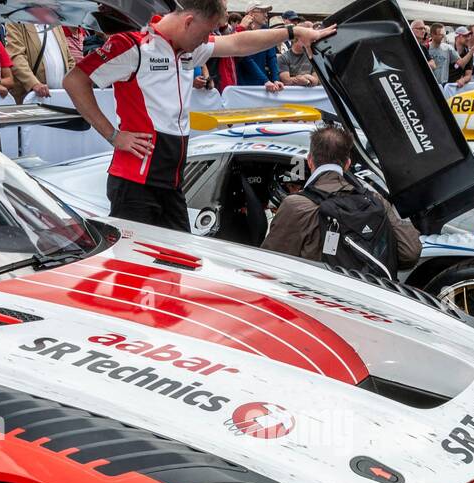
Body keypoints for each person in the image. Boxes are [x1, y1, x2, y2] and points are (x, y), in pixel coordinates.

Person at [63, 0, 335, 231]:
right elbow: (74, 81)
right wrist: (113, 135)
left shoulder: (188, 48)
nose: (207, 41)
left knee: (179, 266)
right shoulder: (134, 46)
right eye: (206, 33)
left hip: (171, 180)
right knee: (135, 273)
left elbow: (239, 43)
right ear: (188, 21)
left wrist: (294, 31)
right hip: (135, 184)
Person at [262, 124, 420, 276]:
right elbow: (409, 254)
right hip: (372, 297)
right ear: (347, 164)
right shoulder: (375, 199)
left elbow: (269, 265)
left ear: (310, 160)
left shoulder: (296, 206)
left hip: (319, 299)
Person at [5, 16, 75, 102]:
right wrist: (34, 84)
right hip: (34, 97)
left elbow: (68, 58)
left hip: (61, 96)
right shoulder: (16, 21)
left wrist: (75, 81)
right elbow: (16, 56)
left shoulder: (55, 22)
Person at [236, 3, 282, 90]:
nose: (266, 15)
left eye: (266, 12)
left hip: (263, 84)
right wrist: (265, 80)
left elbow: (272, 58)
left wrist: (275, 79)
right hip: (244, 85)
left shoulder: (267, 31)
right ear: (251, 14)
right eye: (262, 11)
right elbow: (246, 59)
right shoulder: (242, 32)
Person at [278, 21, 319, 87]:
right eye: (309, 38)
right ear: (298, 38)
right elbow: (286, 80)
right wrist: (307, 80)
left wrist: (306, 79)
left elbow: (316, 80)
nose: (312, 41)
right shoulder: (284, 57)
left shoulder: (313, 56)